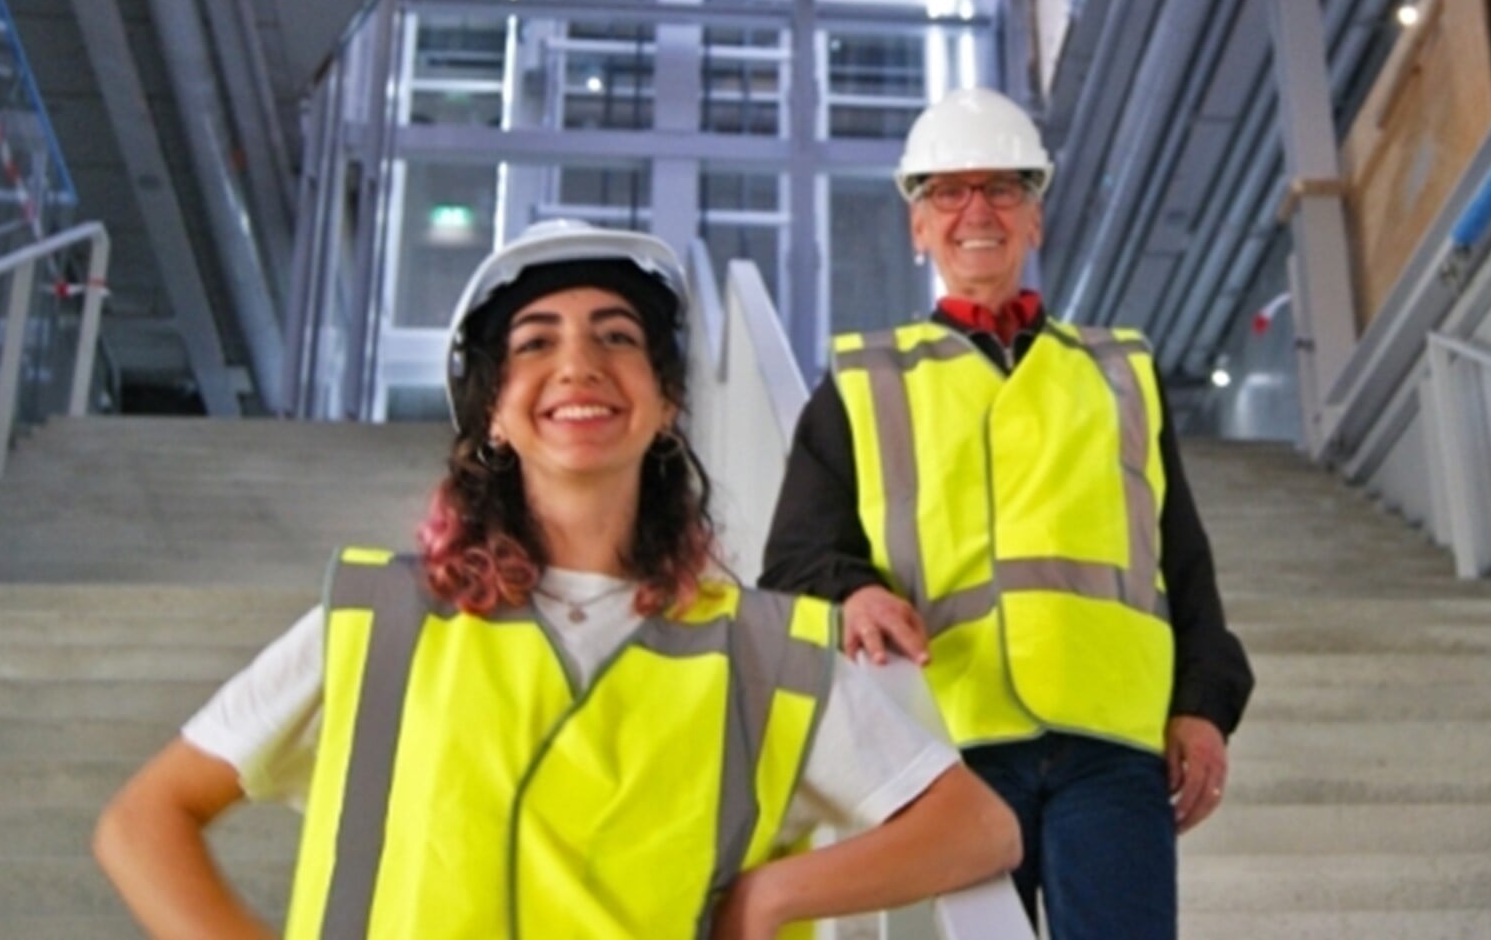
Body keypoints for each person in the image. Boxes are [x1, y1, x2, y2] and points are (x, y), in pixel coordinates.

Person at [94, 220, 1019, 940]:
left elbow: (978, 828)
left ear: (665, 406)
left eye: (617, 337)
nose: (578, 362)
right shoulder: (382, 622)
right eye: (534, 343)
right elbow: (144, 823)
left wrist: (774, 893)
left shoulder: (764, 653)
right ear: (493, 412)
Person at [760, 87, 1255, 939]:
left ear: (1036, 218)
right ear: (918, 226)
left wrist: (1204, 705)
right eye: (947, 192)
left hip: (1111, 741)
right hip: (944, 745)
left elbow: (1184, 565)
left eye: (1002, 188)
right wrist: (856, 595)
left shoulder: (1119, 376)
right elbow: (796, 560)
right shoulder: (863, 381)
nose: (975, 211)